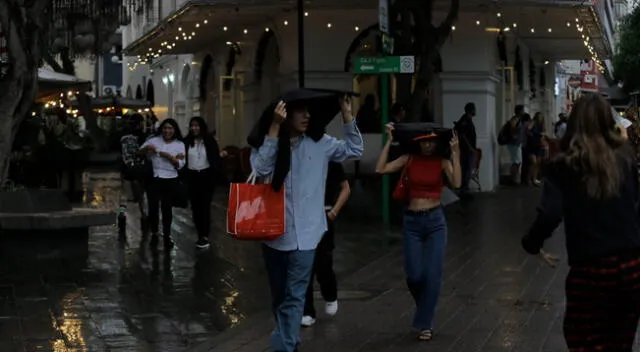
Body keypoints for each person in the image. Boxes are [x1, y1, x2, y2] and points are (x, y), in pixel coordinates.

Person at [521, 94, 640, 351]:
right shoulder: (626, 160)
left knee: (583, 339)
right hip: (631, 266)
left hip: (591, 269)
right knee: (620, 341)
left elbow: (550, 214)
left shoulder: (563, 166)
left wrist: (532, 243)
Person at [250, 95, 363, 352]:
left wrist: (346, 114)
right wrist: (274, 129)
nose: (306, 116)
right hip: (274, 233)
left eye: (308, 112)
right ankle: (289, 340)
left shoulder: (320, 143)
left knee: (295, 296)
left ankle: (284, 347)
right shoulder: (268, 143)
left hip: (309, 234)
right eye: (299, 112)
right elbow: (261, 169)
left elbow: (355, 150)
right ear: (284, 115)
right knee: (280, 297)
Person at [375, 123, 461, 341]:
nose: (429, 145)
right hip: (411, 222)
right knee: (414, 276)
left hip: (435, 221)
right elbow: (380, 169)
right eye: (425, 141)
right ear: (418, 142)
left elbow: (458, 182)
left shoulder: (441, 162)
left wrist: (456, 152)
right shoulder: (409, 159)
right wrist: (388, 142)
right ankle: (426, 304)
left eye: (432, 141)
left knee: (432, 274)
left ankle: (425, 324)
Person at [301, 161, 351, 327]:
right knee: (303, 264)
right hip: (302, 216)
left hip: (324, 215)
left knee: (323, 263)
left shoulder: (332, 163)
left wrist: (334, 211)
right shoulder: (299, 160)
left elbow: (346, 188)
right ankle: (307, 311)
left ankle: (330, 294)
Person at [139, 118, 185, 249]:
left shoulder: (179, 144)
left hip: (170, 178)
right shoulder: (153, 140)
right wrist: (147, 148)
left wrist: (169, 157)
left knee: (167, 208)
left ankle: (167, 235)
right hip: (154, 177)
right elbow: (139, 152)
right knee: (153, 207)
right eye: (165, 128)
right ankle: (154, 232)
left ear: (174, 130)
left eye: (170, 128)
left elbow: (181, 163)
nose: (167, 131)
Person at [183, 116, 222, 249]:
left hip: (206, 177)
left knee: (205, 206)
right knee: (195, 207)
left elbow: (215, 158)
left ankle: (204, 235)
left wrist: (215, 174)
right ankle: (199, 231)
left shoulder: (209, 141)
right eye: (192, 125)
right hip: (192, 177)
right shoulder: (187, 141)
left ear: (202, 127)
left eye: (197, 125)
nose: (194, 128)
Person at [454, 102, 477, 196]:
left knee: (467, 169)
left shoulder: (467, 120)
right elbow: (463, 136)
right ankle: (464, 189)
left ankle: (464, 188)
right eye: (474, 109)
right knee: (466, 169)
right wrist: (471, 148)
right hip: (466, 150)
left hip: (468, 149)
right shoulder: (465, 120)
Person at [524, 112, 546, 186]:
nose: (540, 118)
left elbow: (543, 134)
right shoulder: (533, 123)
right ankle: (528, 178)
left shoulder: (542, 126)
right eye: (539, 117)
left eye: (541, 117)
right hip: (531, 145)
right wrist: (531, 135)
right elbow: (527, 130)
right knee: (533, 162)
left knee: (538, 163)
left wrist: (543, 138)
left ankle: (534, 179)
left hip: (539, 146)